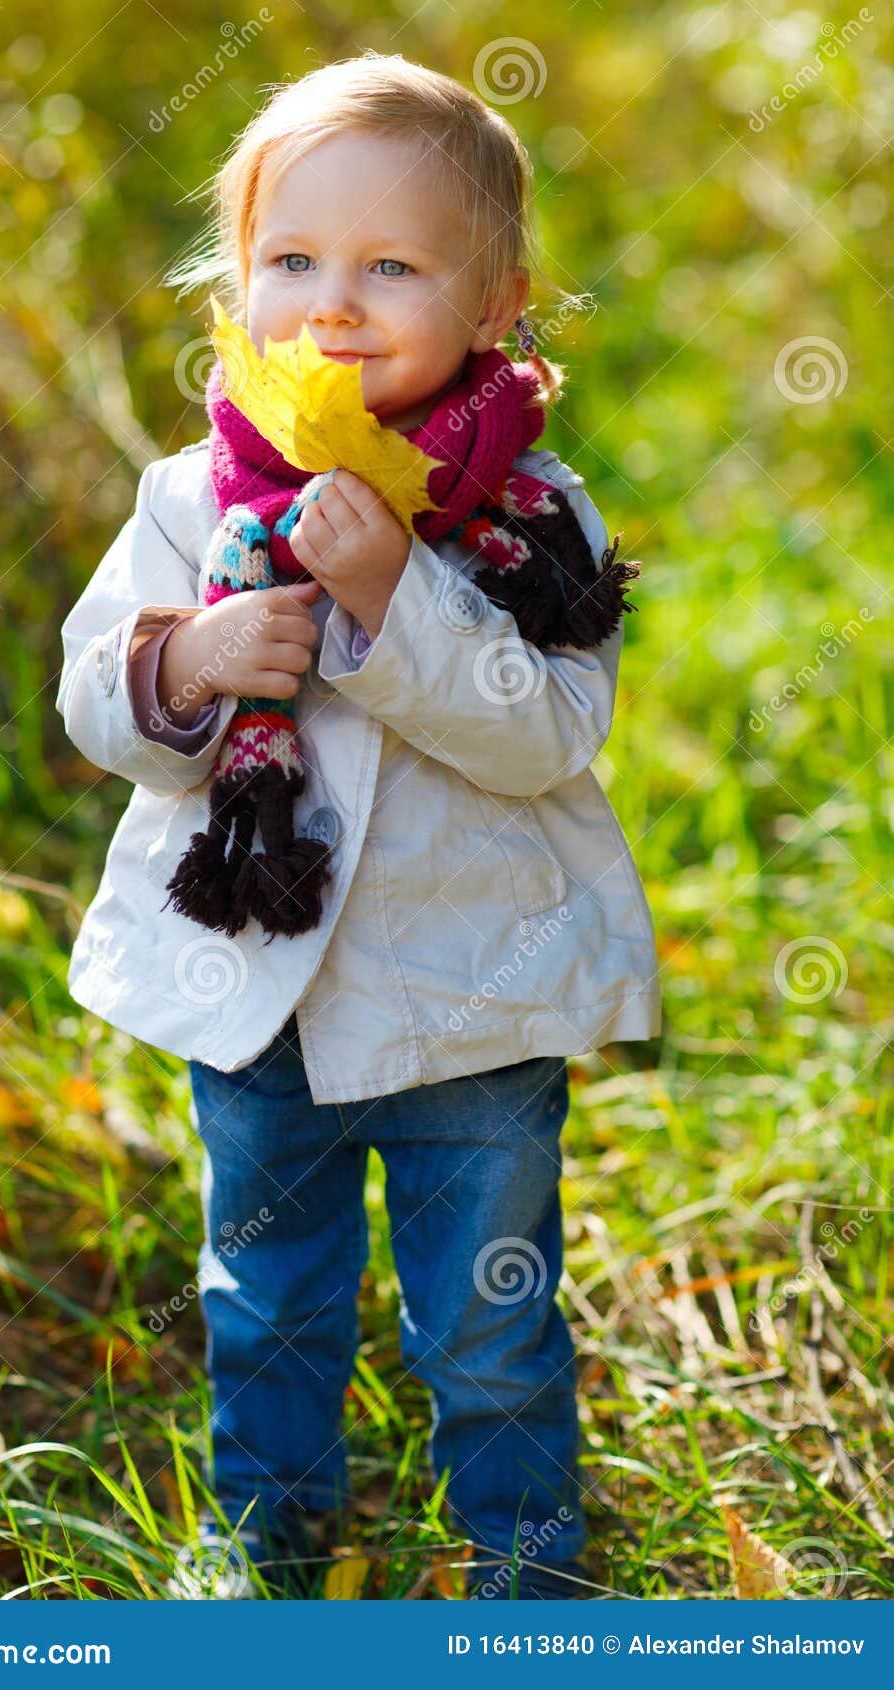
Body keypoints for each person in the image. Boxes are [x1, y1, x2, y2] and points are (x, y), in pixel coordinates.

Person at [54, 52, 661, 1600]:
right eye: (293, 259)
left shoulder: (537, 513)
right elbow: (93, 701)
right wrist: (184, 663)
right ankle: (267, 1544)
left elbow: (547, 735)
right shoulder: (195, 500)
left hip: (475, 1002)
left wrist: (400, 598)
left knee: (487, 1314)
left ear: (496, 299)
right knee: (266, 1297)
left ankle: (528, 1570)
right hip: (256, 1002)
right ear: (239, 281)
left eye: (392, 265)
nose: (334, 302)